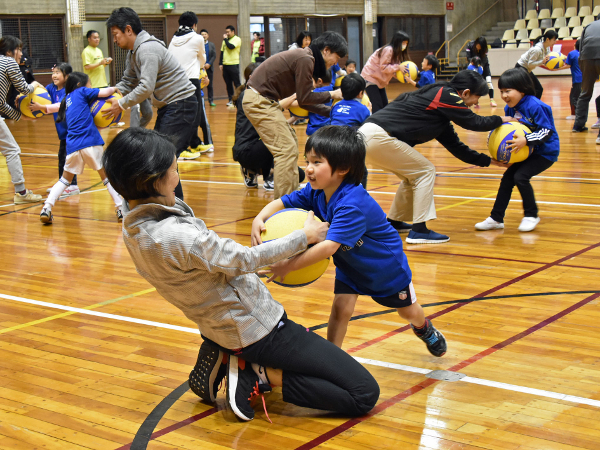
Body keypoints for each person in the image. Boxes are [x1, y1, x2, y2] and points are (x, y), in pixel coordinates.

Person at [102, 127, 380, 422]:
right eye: (174, 169)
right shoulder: (175, 236)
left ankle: (230, 351)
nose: (178, 177)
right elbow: (245, 258)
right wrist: (304, 236)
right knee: (363, 392)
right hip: (259, 331)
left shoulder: (133, 221)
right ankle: (259, 373)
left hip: (220, 326)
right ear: (151, 180)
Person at [252, 126, 447, 356]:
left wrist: (287, 265)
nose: (309, 169)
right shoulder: (316, 191)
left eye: (317, 162)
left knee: (408, 312)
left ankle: (424, 328)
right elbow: (285, 201)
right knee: (340, 309)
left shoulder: (352, 204)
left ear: (343, 168)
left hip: (383, 269)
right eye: (307, 161)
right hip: (350, 263)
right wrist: (260, 216)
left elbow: (328, 247)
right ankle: (334, 360)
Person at [358, 70, 513, 244]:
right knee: (425, 171)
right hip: (377, 136)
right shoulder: (446, 93)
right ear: (466, 93)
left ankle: (394, 221)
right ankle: (419, 231)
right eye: (476, 98)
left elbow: (457, 148)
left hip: (369, 137)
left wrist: (489, 161)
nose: (476, 103)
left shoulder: (440, 116)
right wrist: (502, 119)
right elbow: (473, 122)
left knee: (413, 175)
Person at [103, 7, 197, 201]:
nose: (114, 40)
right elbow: (128, 82)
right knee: (161, 159)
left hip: (182, 106)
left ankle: (177, 213)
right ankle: (169, 209)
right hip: (171, 107)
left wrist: (120, 104)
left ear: (128, 30)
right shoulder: (134, 52)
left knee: (163, 160)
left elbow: (146, 87)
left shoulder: (147, 49)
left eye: (115, 35)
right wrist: (107, 93)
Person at [243, 31, 346, 199]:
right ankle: (282, 206)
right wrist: (332, 94)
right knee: (285, 150)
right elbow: (305, 97)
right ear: (326, 50)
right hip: (258, 100)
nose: (336, 62)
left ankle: (290, 198)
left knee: (290, 145)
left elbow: (304, 102)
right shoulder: (306, 58)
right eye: (337, 56)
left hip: (265, 101)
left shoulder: (307, 58)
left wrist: (331, 112)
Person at [475, 68, 559, 233]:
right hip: (527, 151)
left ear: (522, 90)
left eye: (508, 91)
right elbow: (508, 129)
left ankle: (531, 215)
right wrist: (494, 138)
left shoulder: (535, 105)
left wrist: (526, 140)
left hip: (545, 152)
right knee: (507, 179)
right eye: (501, 91)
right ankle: (496, 218)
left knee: (521, 177)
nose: (504, 95)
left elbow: (546, 131)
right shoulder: (509, 108)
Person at [39, 72, 123, 224]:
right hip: (90, 141)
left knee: (64, 180)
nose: (91, 87)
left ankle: (47, 208)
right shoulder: (82, 91)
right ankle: (120, 208)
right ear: (80, 84)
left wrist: (41, 107)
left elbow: (52, 108)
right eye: (90, 84)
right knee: (106, 178)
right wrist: (115, 88)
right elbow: (103, 92)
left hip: (72, 146)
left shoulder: (66, 100)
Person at [233, 63, 303, 191]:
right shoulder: (248, 96)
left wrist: (295, 118)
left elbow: (277, 123)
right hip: (246, 150)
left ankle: (254, 171)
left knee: (300, 175)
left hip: (258, 146)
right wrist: (296, 95)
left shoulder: (262, 94)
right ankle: (267, 176)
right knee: (278, 139)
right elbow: (279, 105)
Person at [0, 35, 44, 204]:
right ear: (10, 51)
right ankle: (21, 193)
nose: (21, 53)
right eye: (19, 49)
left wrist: (19, 116)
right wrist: (35, 85)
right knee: (12, 150)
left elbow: (0, 103)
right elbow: (25, 89)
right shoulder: (9, 62)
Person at [168, 11, 213, 159]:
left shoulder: (174, 38)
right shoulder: (197, 38)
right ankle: (182, 148)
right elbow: (202, 60)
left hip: (176, 81)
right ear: (194, 25)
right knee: (193, 115)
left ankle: (194, 143)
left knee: (187, 114)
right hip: (192, 80)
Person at [29, 62, 79, 197]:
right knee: (62, 157)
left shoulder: (70, 90)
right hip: (62, 131)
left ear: (67, 76)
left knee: (68, 157)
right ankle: (62, 184)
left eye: (58, 73)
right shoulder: (51, 88)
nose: (54, 75)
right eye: (53, 73)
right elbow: (38, 87)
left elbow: (60, 106)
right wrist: (31, 87)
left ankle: (72, 185)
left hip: (73, 130)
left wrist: (42, 108)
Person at [330, 72, 371, 188]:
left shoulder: (336, 106)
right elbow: (368, 127)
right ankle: (359, 197)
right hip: (349, 146)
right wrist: (370, 112)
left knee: (339, 174)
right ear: (360, 94)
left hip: (331, 144)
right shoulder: (363, 109)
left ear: (341, 92)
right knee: (361, 173)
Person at [361, 31, 410, 113]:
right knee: (377, 106)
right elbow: (384, 68)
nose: (405, 45)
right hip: (370, 78)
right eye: (403, 42)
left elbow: (393, 70)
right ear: (398, 41)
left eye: (406, 43)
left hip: (379, 80)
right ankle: (375, 124)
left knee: (385, 105)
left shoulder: (396, 54)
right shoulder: (388, 50)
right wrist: (398, 67)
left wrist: (404, 76)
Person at [573, 18, 600, 138]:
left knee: (585, 93)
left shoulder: (589, 25)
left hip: (586, 58)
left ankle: (578, 126)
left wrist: (583, 67)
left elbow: (580, 46)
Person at [515, 29, 558, 100]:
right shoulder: (537, 50)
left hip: (526, 69)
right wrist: (542, 62)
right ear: (548, 39)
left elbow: (547, 61)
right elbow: (530, 64)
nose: (555, 42)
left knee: (538, 89)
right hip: (521, 68)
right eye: (554, 40)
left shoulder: (547, 48)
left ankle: (533, 106)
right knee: (532, 90)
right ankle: (528, 106)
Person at [466, 37, 497, 107]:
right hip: (473, 65)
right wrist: (474, 62)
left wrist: (481, 66)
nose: (478, 48)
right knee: (475, 84)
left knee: (488, 82)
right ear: (476, 43)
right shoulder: (470, 45)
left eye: (480, 47)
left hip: (483, 66)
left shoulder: (485, 49)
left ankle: (492, 99)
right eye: (478, 46)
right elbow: (468, 57)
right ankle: (476, 102)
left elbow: (484, 59)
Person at [220, 25, 242, 106]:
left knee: (237, 83)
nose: (227, 34)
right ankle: (230, 100)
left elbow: (231, 47)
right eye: (226, 32)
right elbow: (222, 52)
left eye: (228, 32)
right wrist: (220, 63)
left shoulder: (237, 39)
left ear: (233, 32)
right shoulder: (224, 41)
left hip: (234, 64)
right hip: (225, 65)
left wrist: (225, 39)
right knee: (228, 84)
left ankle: (240, 99)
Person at [306, 70, 333, 136]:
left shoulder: (315, 92)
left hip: (314, 128)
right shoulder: (331, 88)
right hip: (327, 127)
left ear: (319, 81)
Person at [200, 29, 217, 107]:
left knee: (210, 85)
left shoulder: (211, 44)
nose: (203, 36)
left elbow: (214, 55)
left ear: (208, 35)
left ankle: (211, 100)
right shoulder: (198, 45)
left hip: (209, 68)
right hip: (201, 68)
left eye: (205, 34)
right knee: (201, 84)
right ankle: (201, 100)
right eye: (202, 34)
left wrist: (209, 63)